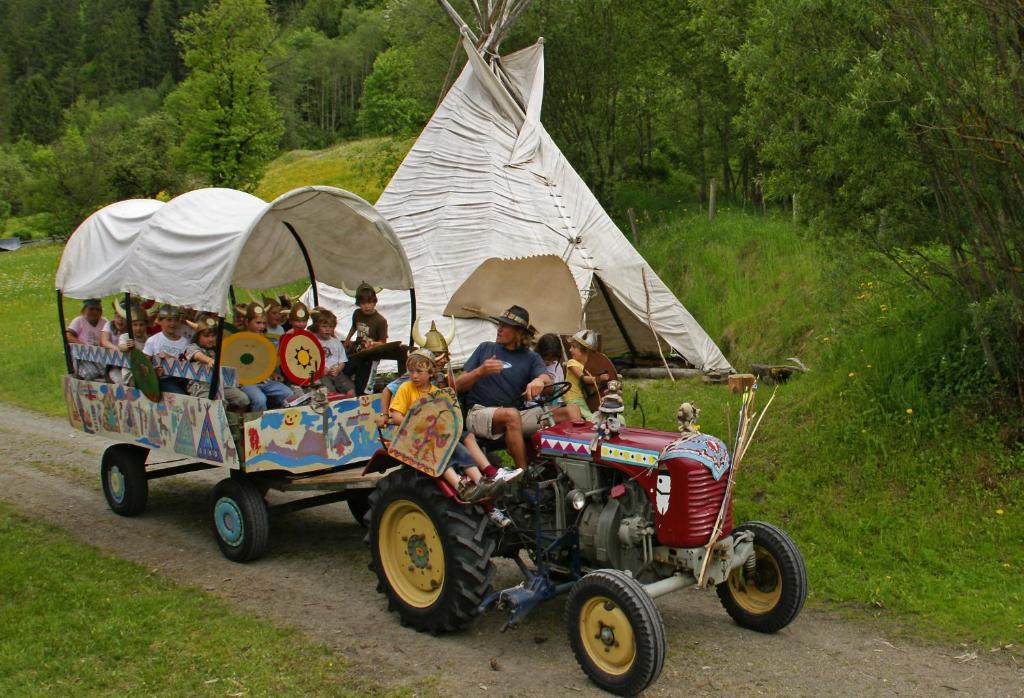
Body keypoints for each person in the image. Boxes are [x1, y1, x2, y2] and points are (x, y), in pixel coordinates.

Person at [383, 353, 519, 518]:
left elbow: (446, 418)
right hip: (412, 438)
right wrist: (419, 425)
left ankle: (483, 479)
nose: (414, 375)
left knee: (462, 438)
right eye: (411, 371)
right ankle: (461, 486)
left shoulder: (437, 393)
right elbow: (397, 417)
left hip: (435, 434)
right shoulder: (406, 389)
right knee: (438, 450)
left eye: (419, 371)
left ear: (431, 372)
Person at [456, 305, 581, 469]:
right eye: (499, 325)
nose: (498, 329)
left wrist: (540, 381)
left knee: (571, 410)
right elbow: (457, 385)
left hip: (515, 414)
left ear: (519, 333)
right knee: (512, 415)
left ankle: (577, 468)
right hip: (478, 413)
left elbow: (549, 386)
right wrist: (479, 372)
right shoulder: (485, 348)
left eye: (504, 326)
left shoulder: (531, 357)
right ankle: (523, 476)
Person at [237, 302, 296, 411]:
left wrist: (272, 373)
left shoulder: (265, 340)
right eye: (258, 323)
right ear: (247, 322)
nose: (262, 326)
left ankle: (282, 422)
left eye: (264, 323)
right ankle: (257, 425)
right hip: (247, 382)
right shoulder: (237, 341)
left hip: (265, 380)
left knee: (288, 394)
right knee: (260, 399)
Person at [184, 313, 250, 410]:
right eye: (206, 336)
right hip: (201, 385)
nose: (211, 339)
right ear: (198, 336)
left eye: (213, 335)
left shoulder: (217, 349)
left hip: (221, 383)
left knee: (243, 399)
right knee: (218, 404)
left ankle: (232, 417)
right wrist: (209, 360)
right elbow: (196, 354)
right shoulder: (192, 347)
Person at [344, 282, 388, 394]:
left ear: (374, 302)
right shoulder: (357, 313)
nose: (366, 306)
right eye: (363, 303)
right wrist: (348, 339)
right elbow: (354, 326)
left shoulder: (380, 320)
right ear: (358, 304)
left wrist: (372, 344)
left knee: (364, 387)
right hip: (356, 351)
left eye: (369, 302)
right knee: (344, 372)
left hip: (371, 356)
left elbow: (383, 342)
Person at [142, 304, 190, 395]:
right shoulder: (153, 340)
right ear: (160, 321)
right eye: (169, 320)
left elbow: (186, 363)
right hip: (163, 380)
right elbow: (144, 363)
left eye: (176, 320)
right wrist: (154, 372)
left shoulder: (184, 342)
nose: (173, 323)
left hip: (182, 379)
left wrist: (170, 357)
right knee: (180, 395)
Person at [568, 329, 619, 413]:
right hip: (576, 400)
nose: (570, 350)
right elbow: (583, 378)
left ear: (586, 350)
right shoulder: (573, 363)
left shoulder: (599, 361)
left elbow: (613, 382)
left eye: (574, 347)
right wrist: (599, 379)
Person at [311, 307, 356, 396]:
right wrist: (320, 369)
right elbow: (311, 361)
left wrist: (338, 369)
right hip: (322, 374)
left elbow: (342, 360)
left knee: (351, 390)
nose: (327, 329)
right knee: (328, 392)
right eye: (324, 326)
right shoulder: (314, 342)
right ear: (317, 326)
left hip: (337, 373)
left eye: (331, 327)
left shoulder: (336, 342)